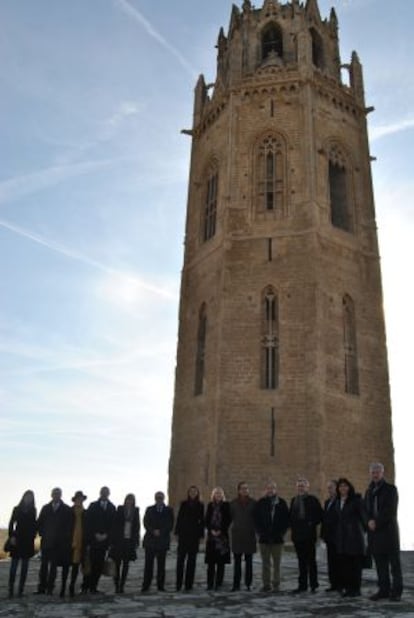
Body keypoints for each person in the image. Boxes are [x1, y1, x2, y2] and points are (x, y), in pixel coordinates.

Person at [365, 462, 403, 601]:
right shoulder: (369, 491)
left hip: (388, 532)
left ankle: (396, 592)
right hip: (375, 534)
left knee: (394, 565)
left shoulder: (391, 489)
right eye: (373, 472)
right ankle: (383, 590)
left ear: (382, 473)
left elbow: (390, 510)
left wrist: (377, 522)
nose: (375, 474)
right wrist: (368, 521)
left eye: (377, 472)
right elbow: (366, 510)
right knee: (380, 565)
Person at [253, 481, 289, 593]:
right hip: (264, 539)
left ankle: (276, 583)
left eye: (273, 488)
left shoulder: (282, 503)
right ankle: (266, 584)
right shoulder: (261, 503)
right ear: (266, 489)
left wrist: (280, 534)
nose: (270, 490)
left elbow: (286, 521)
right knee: (265, 563)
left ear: (276, 490)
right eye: (269, 488)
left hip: (277, 539)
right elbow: (256, 520)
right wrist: (260, 533)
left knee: (277, 563)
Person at [37, 487, 73, 596]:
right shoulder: (46, 508)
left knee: (53, 567)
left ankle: (50, 588)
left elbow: (69, 526)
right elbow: (40, 522)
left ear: (61, 495)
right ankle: (41, 587)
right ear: (51, 495)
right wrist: (42, 533)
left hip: (58, 544)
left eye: (58, 494)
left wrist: (63, 538)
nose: (56, 495)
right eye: (54, 493)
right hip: (46, 541)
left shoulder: (66, 509)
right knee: (43, 566)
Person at [289, 478, 323, 594]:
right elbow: (291, 517)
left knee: (311, 561)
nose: (301, 488)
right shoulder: (294, 500)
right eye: (299, 486)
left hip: (309, 535)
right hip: (297, 536)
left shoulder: (313, 500)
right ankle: (302, 585)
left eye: (303, 486)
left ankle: (314, 584)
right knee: (301, 562)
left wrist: (311, 523)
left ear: (307, 488)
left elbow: (319, 516)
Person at [334, 478, 366, 597]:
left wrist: (364, 531)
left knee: (355, 566)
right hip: (342, 538)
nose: (343, 488)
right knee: (345, 565)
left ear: (349, 487)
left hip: (355, 537)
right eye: (340, 486)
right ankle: (348, 589)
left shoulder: (356, 500)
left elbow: (363, 516)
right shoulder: (338, 501)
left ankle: (356, 589)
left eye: (345, 486)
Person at [85, 486, 116, 593]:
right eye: (103, 492)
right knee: (90, 564)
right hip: (93, 540)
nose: (104, 494)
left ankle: (94, 587)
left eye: (106, 492)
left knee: (99, 565)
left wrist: (107, 536)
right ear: (100, 493)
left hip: (104, 542)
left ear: (109, 494)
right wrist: (94, 534)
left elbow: (113, 525)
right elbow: (88, 522)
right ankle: (86, 586)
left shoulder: (112, 507)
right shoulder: (93, 506)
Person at [141, 491, 174, 592]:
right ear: (155, 498)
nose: (159, 499)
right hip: (150, 540)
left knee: (161, 565)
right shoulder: (149, 509)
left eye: (160, 497)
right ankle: (146, 585)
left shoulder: (169, 510)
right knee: (148, 565)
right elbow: (145, 522)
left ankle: (160, 585)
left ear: (163, 498)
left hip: (162, 540)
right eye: (157, 497)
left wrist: (161, 531)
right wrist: (153, 531)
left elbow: (170, 523)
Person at [7, 490, 37, 598]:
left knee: (24, 568)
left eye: (30, 497)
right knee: (14, 567)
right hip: (17, 539)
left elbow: (34, 525)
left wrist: (33, 537)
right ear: (23, 497)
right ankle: (11, 590)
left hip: (28, 541)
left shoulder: (33, 510)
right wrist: (11, 537)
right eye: (27, 497)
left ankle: (20, 590)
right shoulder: (17, 509)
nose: (28, 499)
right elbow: (11, 523)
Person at [174, 485, 205, 591]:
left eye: (195, 491)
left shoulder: (200, 505)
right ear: (188, 493)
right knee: (180, 560)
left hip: (194, 536)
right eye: (191, 491)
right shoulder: (183, 504)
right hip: (183, 535)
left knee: (192, 561)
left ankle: (188, 585)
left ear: (197, 493)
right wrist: (177, 533)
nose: (193, 493)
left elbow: (202, 521)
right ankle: (178, 584)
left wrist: (201, 536)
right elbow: (179, 518)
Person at [110, 493, 140, 593]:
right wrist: (113, 540)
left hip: (129, 541)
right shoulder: (119, 509)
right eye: (128, 499)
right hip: (119, 540)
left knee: (126, 564)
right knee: (117, 563)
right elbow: (114, 524)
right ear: (125, 500)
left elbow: (137, 526)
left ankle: (122, 584)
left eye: (131, 500)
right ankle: (116, 584)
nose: (129, 501)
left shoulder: (136, 511)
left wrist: (136, 540)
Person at [229, 482, 256, 591]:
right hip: (238, 536)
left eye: (247, 488)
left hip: (249, 535)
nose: (245, 490)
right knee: (237, 562)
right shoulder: (233, 503)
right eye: (243, 488)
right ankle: (236, 585)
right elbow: (229, 518)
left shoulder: (254, 503)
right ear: (239, 490)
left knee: (249, 562)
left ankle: (248, 584)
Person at [205, 487, 231, 591]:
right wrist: (211, 530)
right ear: (213, 495)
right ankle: (210, 583)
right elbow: (207, 519)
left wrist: (221, 530)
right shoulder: (210, 506)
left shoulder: (226, 505)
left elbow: (228, 519)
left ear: (222, 495)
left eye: (220, 494)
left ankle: (219, 583)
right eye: (216, 494)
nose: (218, 495)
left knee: (221, 562)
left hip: (222, 537)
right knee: (211, 562)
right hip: (212, 537)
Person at [321, 480, 340, 592]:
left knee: (339, 562)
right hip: (329, 537)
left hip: (338, 537)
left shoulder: (340, 501)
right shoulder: (328, 502)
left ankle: (340, 584)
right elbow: (325, 519)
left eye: (331, 487)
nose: (329, 490)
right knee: (331, 561)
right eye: (328, 488)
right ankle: (333, 584)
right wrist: (323, 534)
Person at [68, 490, 87, 597]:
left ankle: (84, 587)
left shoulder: (86, 512)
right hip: (72, 542)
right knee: (73, 567)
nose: (79, 501)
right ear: (75, 500)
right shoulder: (69, 511)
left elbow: (88, 528)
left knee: (84, 567)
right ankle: (71, 586)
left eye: (81, 499)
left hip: (83, 542)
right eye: (78, 499)